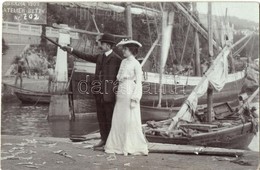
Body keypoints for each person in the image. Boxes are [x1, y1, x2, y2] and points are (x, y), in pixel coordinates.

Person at [62, 33, 121, 148]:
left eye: (102, 43)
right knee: (101, 119)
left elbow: (119, 78)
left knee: (110, 119)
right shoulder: (99, 57)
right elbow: (85, 56)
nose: (100, 45)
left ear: (108, 45)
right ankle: (104, 140)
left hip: (109, 95)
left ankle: (111, 141)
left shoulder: (117, 60)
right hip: (98, 94)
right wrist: (72, 50)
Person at [104, 39, 148, 156]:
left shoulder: (136, 64)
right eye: (123, 48)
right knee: (119, 117)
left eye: (126, 49)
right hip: (121, 91)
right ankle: (116, 145)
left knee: (129, 119)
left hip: (130, 91)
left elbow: (139, 82)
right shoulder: (123, 62)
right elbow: (118, 76)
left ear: (131, 50)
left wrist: (135, 97)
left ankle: (130, 145)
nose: (123, 51)